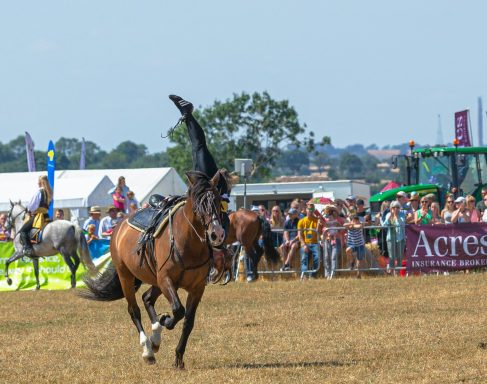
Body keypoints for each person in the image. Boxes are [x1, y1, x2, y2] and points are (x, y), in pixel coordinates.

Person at [169, 95, 234, 238]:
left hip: (206, 184)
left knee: (197, 147)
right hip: (207, 182)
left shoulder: (219, 199)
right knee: (198, 147)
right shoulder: (219, 194)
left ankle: (187, 114)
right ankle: (187, 114)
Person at [18, 175, 53, 256]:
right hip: (46, 216)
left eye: (38, 181)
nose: (37, 183)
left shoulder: (39, 192)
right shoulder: (50, 193)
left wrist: (29, 210)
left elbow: (31, 206)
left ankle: (28, 249)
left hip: (38, 216)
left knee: (23, 231)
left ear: (41, 182)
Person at [297, 202, 321, 279]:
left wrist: (319, 224)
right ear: (306, 210)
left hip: (315, 243)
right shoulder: (301, 221)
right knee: (304, 258)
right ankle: (304, 275)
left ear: (314, 210)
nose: (310, 211)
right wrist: (304, 245)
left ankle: (312, 275)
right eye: (309, 209)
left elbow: (318, 233)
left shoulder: (317, 220)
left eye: (312, 209)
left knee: (317, 257)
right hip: (305, 243)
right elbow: (299, 235)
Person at [381, 201, 406, 274]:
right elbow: (384, 225)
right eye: (394, 207)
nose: (396, 209)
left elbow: (402, 223)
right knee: (391, 256)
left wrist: (397, 216)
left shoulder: (402, 214)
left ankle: (398, 272)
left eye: (397, 207)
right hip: (390, 237)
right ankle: (391, 272)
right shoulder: (388, 215)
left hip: (400, 238)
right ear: (391, 208)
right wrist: (389, 218)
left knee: (400, 256)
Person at [322, 204, 345, 280]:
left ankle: (333, 273)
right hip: (327, 240)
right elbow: (322, 231)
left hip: (336, 239)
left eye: (331, 212)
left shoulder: (337, 221)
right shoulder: (324, 221)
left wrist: (338, 226)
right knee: (326, 257)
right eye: (328, 212)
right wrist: (326, 230)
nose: (329, 214)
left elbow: (341, 230)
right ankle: (327, 274)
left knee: (333, 256)